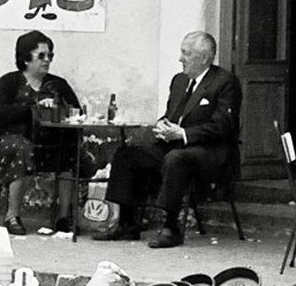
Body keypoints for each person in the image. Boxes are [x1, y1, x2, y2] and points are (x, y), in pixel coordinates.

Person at [95, 30, 242, 248]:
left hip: (211, 151)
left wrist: (183, 134)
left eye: (186, 53)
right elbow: (172, 114)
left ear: (203, 58)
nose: (180, 59)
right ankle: (127, 223)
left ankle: (171, 227)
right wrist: (163, 125)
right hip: (175, 145)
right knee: (127, 154)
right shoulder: (180, 80)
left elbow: (223, 126)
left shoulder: (224, 82)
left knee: (176, 159)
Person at [0, 29, 83, 235]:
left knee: (69, 149)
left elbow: (76, 111)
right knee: (23, 149)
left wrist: (57, 108)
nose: (47, 61)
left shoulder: (57, 84)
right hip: (9, 138)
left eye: (50, 56)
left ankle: (64, 217)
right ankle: (12, 215)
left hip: (48, 140)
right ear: (26, 59)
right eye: (42, 56)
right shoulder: (9, 82)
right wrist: (33, 107)